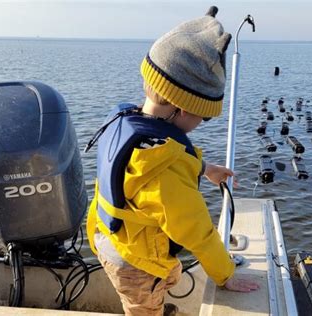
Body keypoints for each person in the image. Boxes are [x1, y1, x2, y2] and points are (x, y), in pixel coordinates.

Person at [86, 6, 259, 316]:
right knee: (143, 307)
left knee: (163, 280)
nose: (202, 123)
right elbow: (199, 233)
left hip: (107, 237)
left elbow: (152, 166)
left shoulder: (126, 121)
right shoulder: (167, 170)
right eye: (204, 116)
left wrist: (205, 169)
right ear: (181, 107)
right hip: (135, 263)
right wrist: (226, 274)